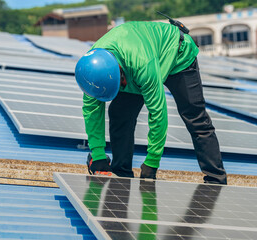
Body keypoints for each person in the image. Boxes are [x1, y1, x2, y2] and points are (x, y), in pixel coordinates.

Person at [75, 21, 227, 185]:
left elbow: (158, 113)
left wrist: (151, 162)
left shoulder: (142, 65)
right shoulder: (91, 74)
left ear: (119, 69)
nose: (124, 87)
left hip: (177, 54)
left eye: (122, 83)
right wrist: (97, 155)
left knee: (194, 117)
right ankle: (121, 174)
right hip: (138, 60)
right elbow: (92, 113)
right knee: (119, 113)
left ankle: (216, 179)